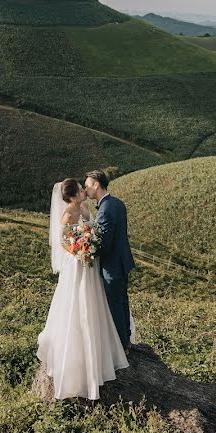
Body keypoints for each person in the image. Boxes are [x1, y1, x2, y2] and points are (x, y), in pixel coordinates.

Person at [36, 178, 129, 401]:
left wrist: (89, 247)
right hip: (77, 264)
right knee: (77, 304)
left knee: (96, 303)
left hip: (90, 262)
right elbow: (64, 242)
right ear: (71, 196)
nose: (83, 191)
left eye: (83, 187)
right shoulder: (68, 215)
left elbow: (94, 231)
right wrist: (80, 251)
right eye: (79, 190)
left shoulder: (85, 209)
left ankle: (101, 346)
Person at [84, 169, 136, 352]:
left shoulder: (104, 210)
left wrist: (86, 252)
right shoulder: (118, 203)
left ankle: (122, 346)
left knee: (114, 304)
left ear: (96, 185)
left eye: (87, 185)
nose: (85, 189)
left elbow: (104, 244)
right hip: (123, 261)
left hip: (112, 266)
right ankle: (127, 339)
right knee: (122, 301)